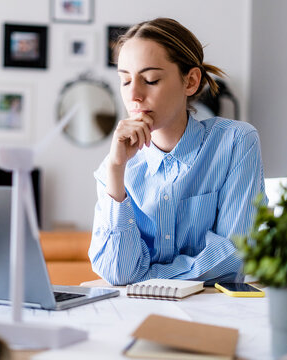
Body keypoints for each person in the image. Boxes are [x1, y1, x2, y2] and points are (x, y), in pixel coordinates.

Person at [88, 18, 267, 286]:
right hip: (136, 312)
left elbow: (234, 258)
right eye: (125, 81)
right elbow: (118, 273)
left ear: (191, 81)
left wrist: (146, 276)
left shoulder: (235, 143)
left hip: (213, 312)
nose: (134, 94)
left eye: (150, 79)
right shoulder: (114, 168)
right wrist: (116, 171)